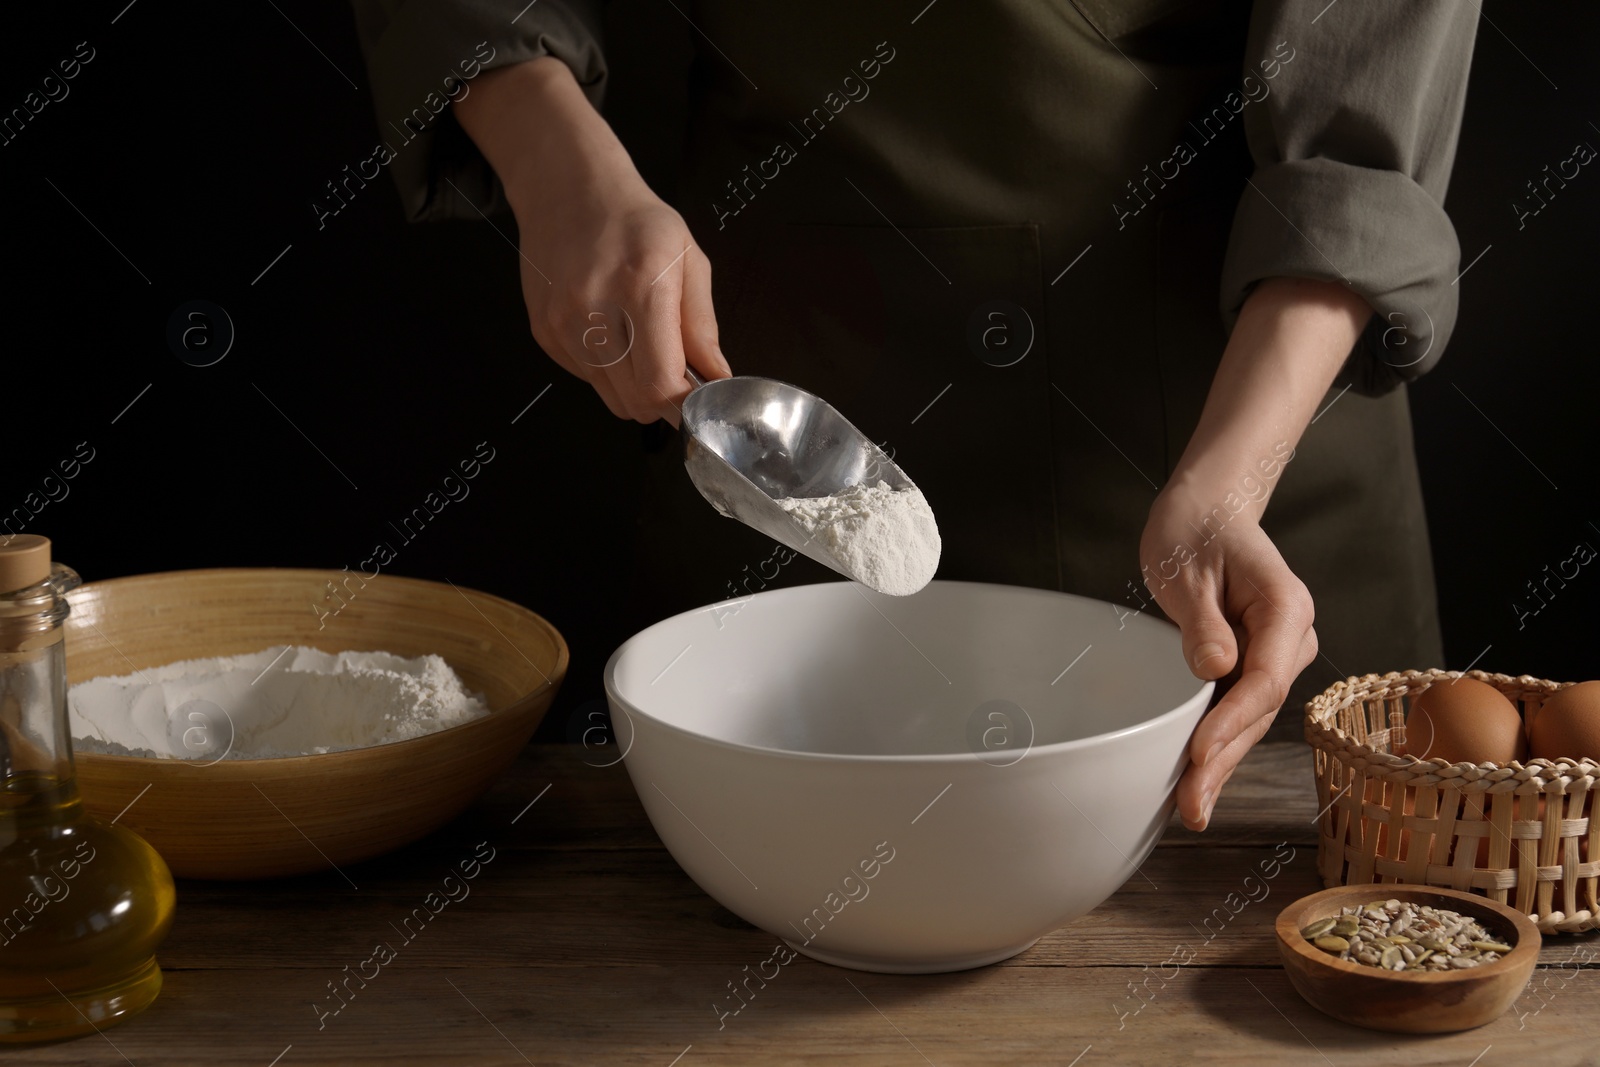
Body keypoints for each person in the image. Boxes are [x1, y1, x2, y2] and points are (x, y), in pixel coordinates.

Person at [350, 0, 1478, 830]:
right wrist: (552, 156)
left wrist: (1229, 479)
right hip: (785, 403)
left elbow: (1360, 132)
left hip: (1237, 419)